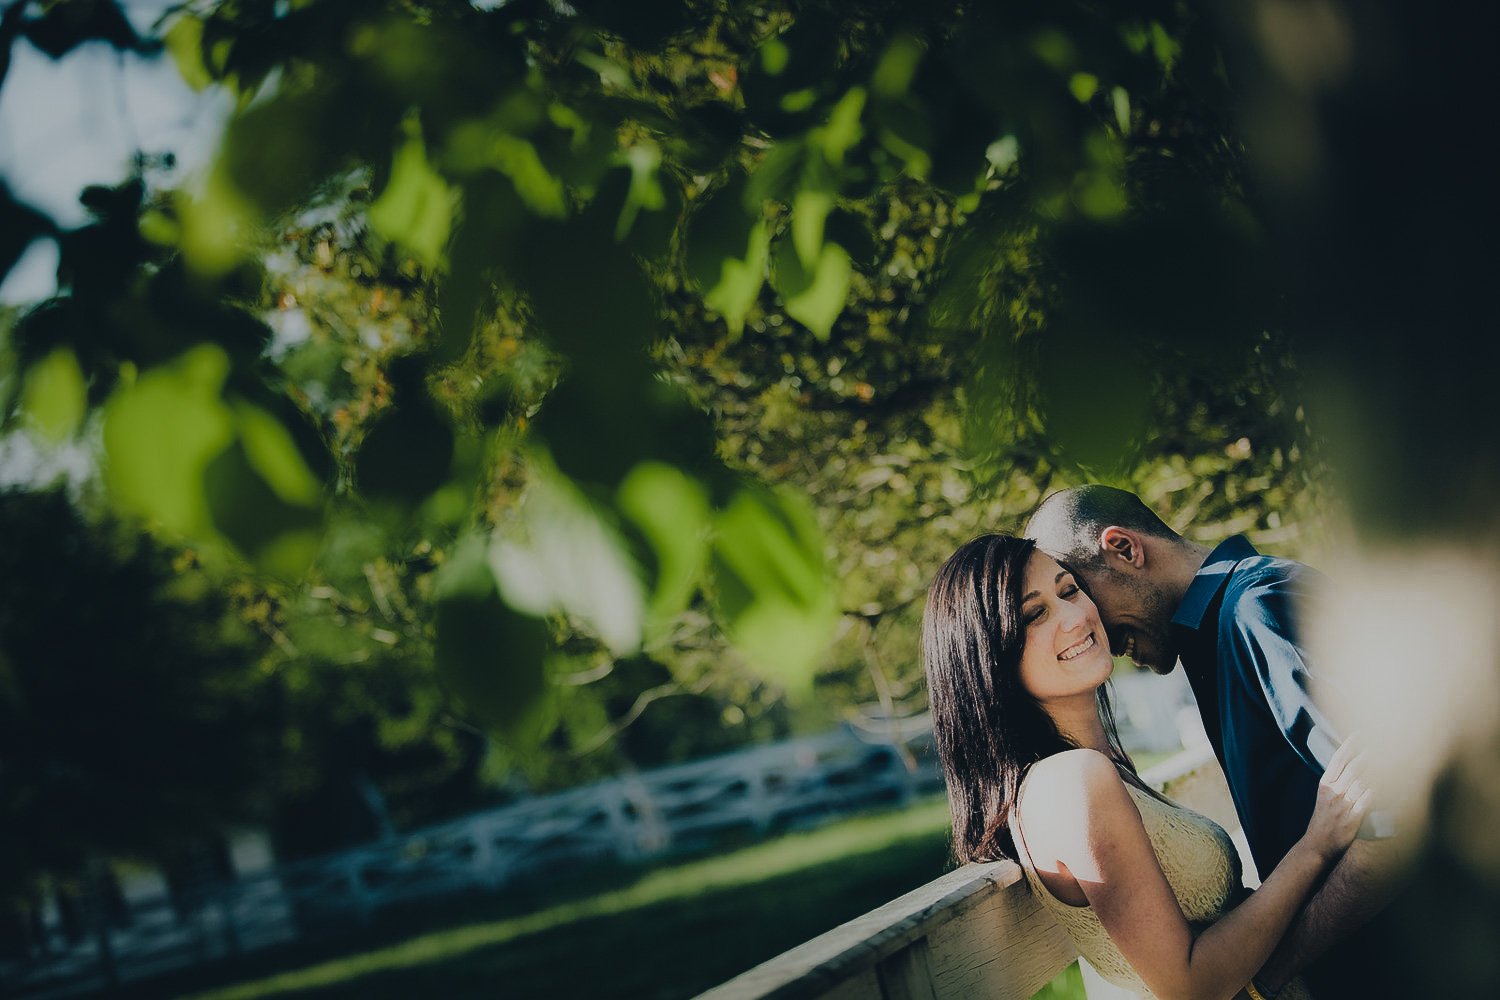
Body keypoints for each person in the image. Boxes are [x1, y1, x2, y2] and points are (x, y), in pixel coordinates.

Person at [922, 534, 1370, 1000]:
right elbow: (1189, 987)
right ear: (987, 659)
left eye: (1070, 590)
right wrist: (1316, 845)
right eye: (1035, 614)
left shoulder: (1098, 770)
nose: (1077, 616)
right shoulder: (1072, 783)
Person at [1022, 486, 1404, 999]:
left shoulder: (1256, 610)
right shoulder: (1220, 632)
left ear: (1125, 549)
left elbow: (1392, 825)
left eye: (1077, 591)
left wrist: (1266, 980)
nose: (1093, 628)